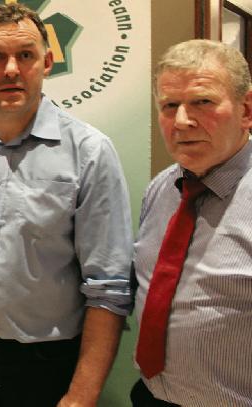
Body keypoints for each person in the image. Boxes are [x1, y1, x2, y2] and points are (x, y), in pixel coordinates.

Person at [0, 3, 134, 406]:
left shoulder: (89, 152)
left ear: (47, 62)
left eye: (25, 55)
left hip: (45, 364)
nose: (10, 69)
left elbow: (108, 288)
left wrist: (82, 393)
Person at [131, 39, 252, 406]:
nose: (182, 120)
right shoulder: (162, 187)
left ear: (247, 109)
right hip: (152, 397)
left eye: (202, 102)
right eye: (169, 106)